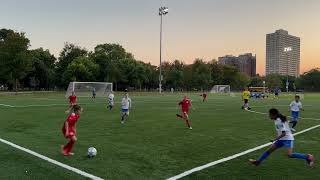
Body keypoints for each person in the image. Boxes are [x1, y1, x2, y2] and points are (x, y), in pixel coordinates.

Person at [249, 108, 314, 167]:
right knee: (269, 150)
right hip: (281, 139)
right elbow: (285, 124)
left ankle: (308, 157)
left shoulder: (278, 121)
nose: (268, 116)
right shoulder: (277, 119)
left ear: (273, 115)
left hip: (288, 139)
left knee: (290, 154)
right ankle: (258, 162)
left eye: (269, 114)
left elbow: (284, 133)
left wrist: (274, 139)